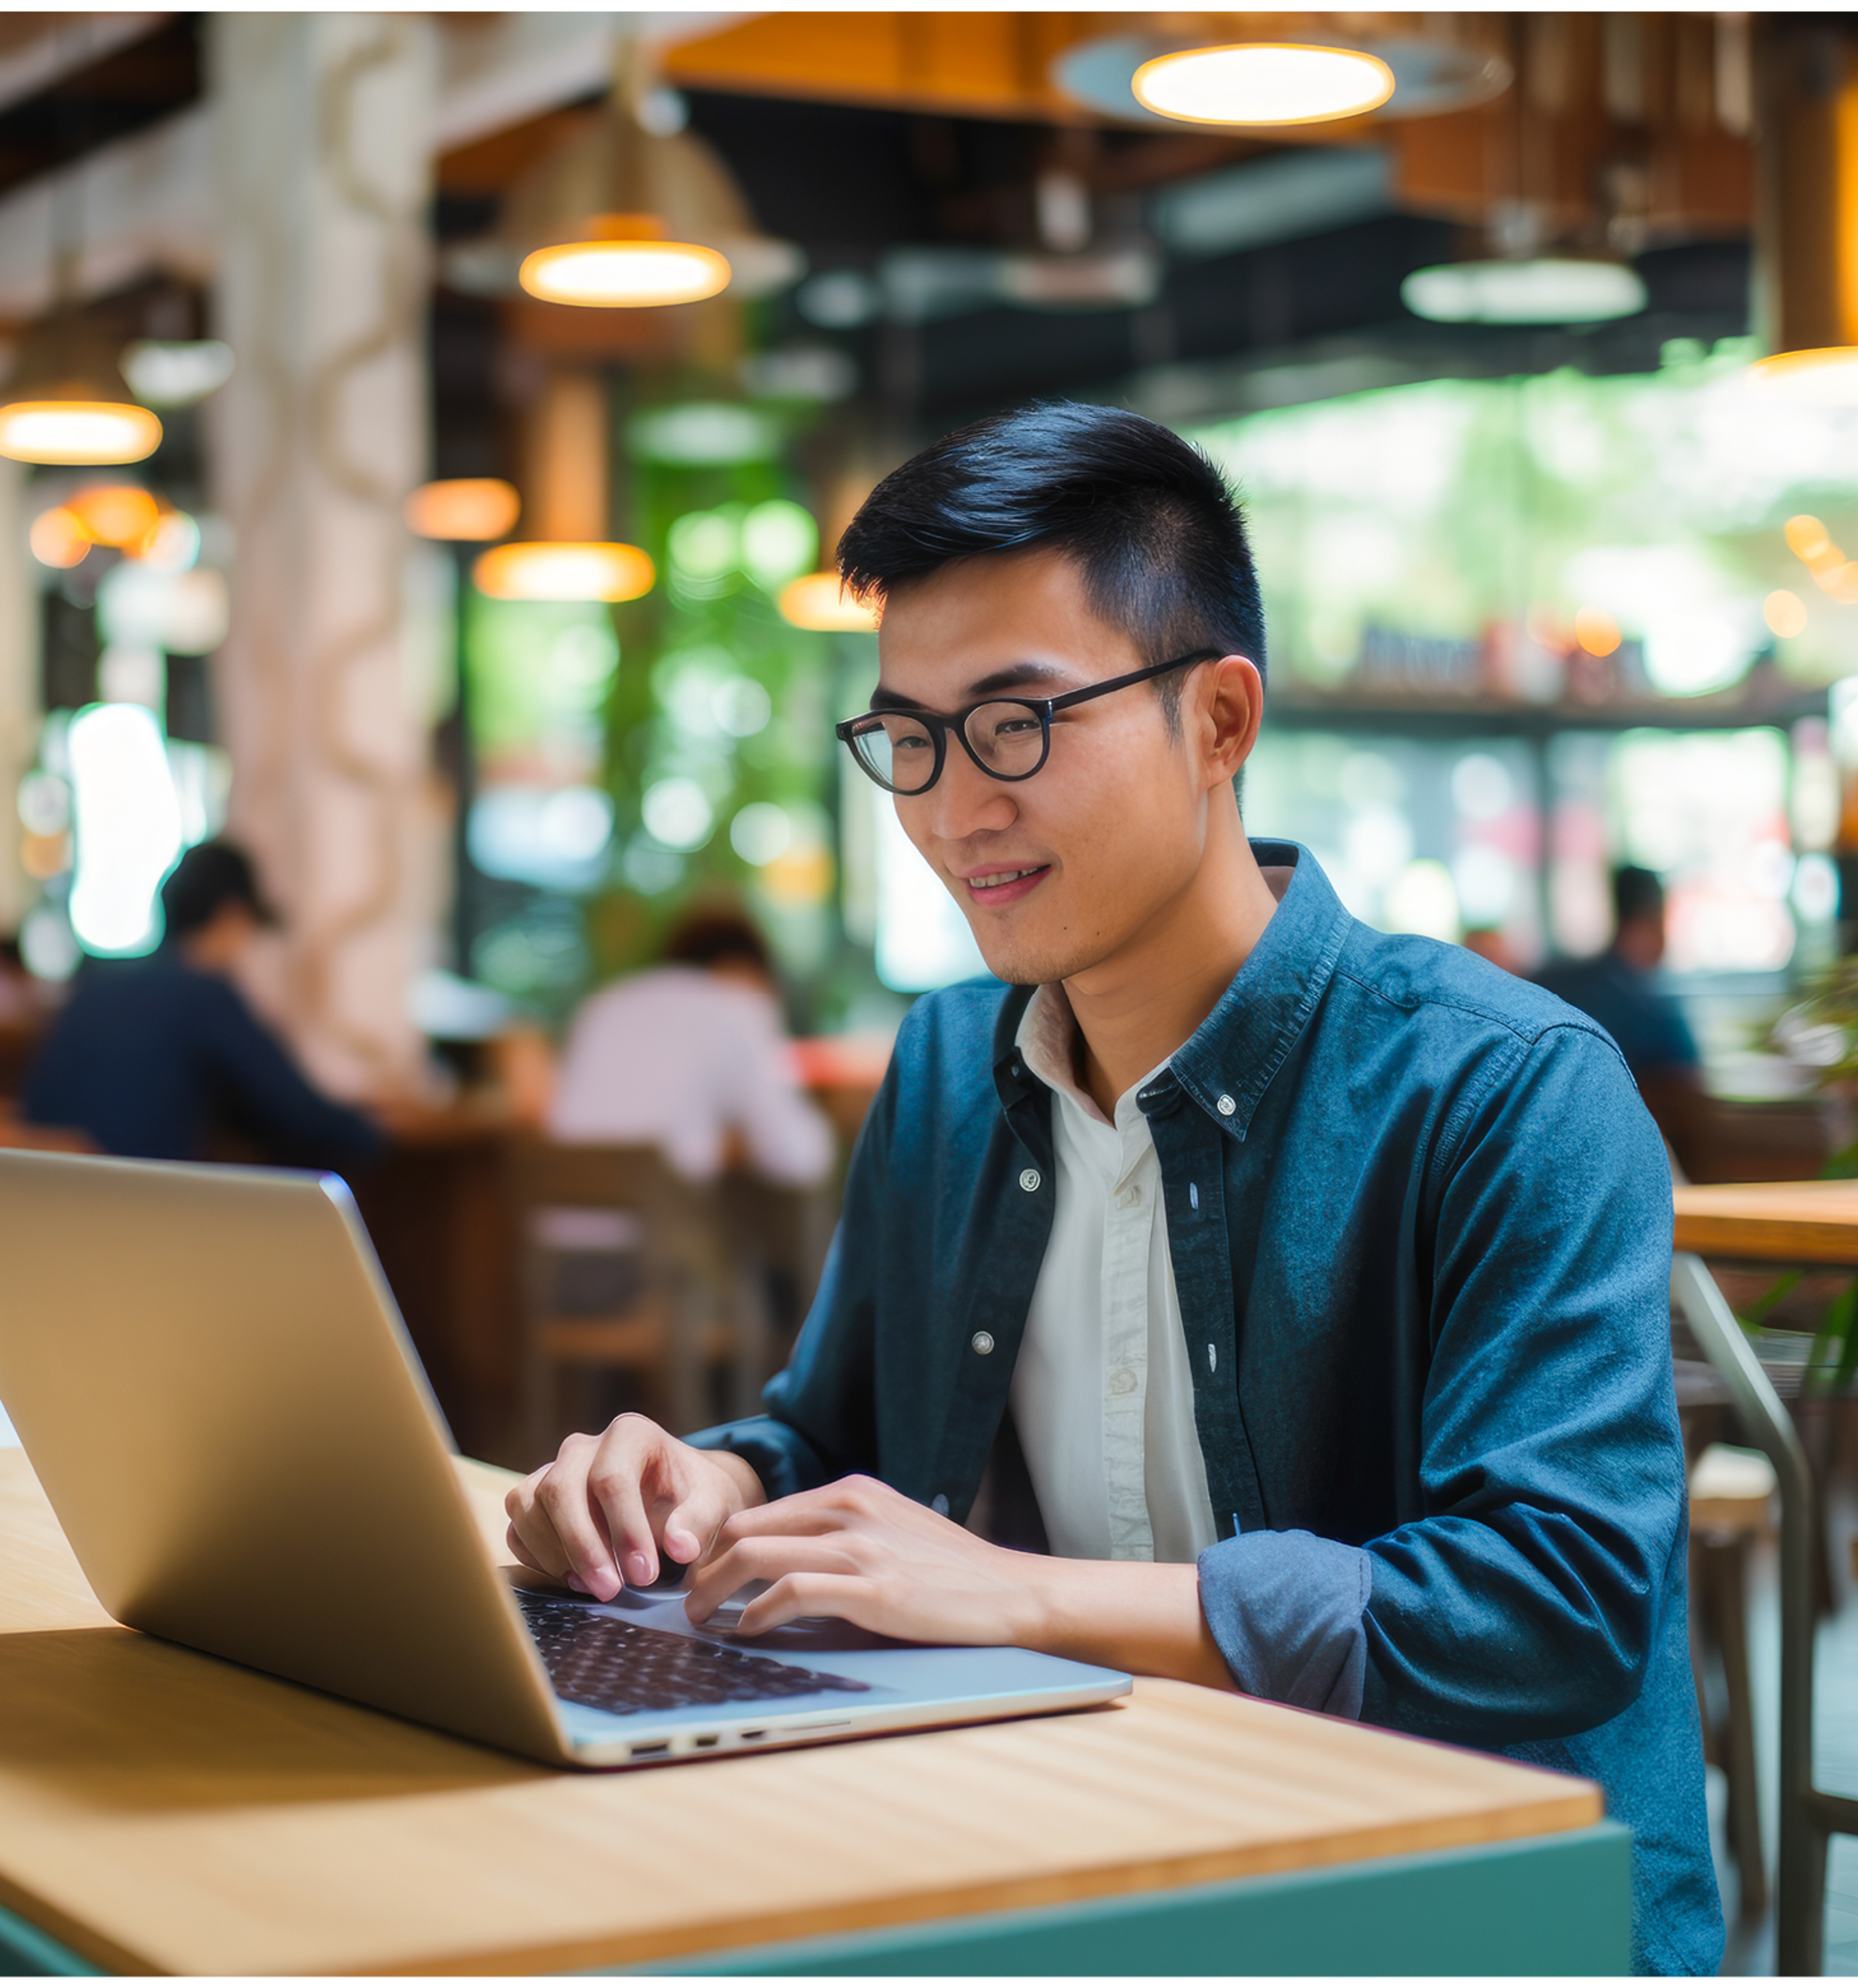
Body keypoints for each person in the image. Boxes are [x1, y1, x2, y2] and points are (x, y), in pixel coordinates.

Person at [505, 405, 1719, 1976]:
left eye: (1017, 725)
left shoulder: (1508, 1087)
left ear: (1220, 721)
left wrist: (1017, 1594)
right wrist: (705, 1484)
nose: (952, 807)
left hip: (1462, 1905)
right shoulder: (949, 1064)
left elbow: (1551, 1599)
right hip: (1089, 1847)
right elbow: (836, 1430)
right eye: (910, 738)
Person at [22, 841, 382, 1172]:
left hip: (39, 1200)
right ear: (231, 917)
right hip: (127, 1210)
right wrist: (373, 1131)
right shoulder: (205, 995)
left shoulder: (99, 981)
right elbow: (298, 1111)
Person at [547, 908, 834, 1188]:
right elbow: (802, 1157)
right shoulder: (740, 1006)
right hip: (660, 1223)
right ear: (747, 969)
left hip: (552, 1215)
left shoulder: (605, 1004)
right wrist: (734, 1145)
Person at [1537, 867, 1708, 1177]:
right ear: (1653, 922)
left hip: (1544, 1162)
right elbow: (1692, 1095)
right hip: (1631, 1169)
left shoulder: (1550, 984)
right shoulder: (1653, 1010)